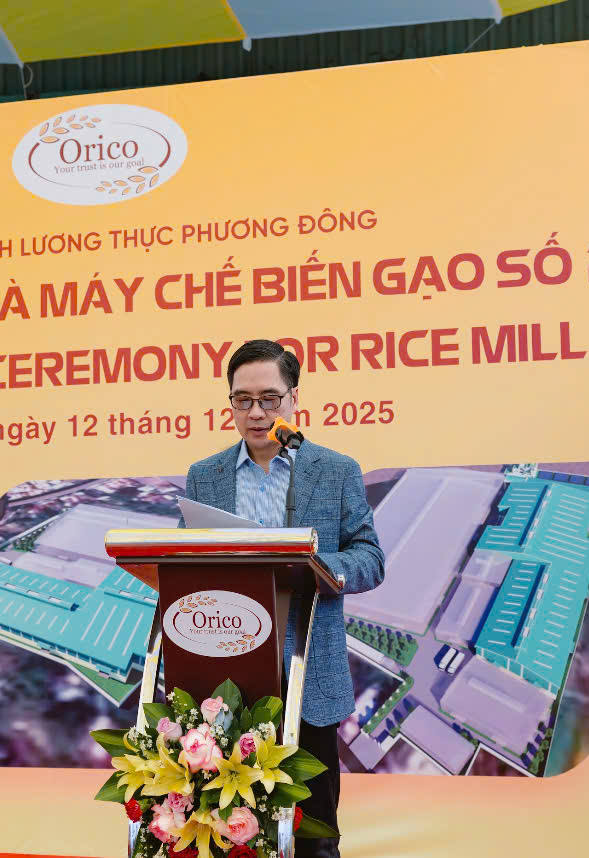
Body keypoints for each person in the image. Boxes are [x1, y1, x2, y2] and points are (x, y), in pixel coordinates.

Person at [178, 339, 384, 858]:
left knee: (315, 838)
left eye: (269, 399)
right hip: (228, 680)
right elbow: (185, 567)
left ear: (294, 398)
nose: (256, 413)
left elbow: (370, 558)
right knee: (231, 836)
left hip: (308, 675)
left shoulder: (335, 471)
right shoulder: (205, 476)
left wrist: (317, 567)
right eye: (242, 400)